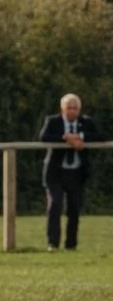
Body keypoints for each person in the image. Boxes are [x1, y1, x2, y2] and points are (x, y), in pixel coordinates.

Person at [39, 93, 100, 251]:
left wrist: (79, 137)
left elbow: (101, 136)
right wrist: (65, 138)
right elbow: (43, 137)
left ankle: (71, 245)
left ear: (79, 110)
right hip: (55, 172)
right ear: (62, 109)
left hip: (76, 173)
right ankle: (53, 243)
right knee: (55, 205)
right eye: (69, 108)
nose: (72, 111)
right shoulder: (53, 121)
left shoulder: (86, 122)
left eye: (75, 108)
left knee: (74, 209)